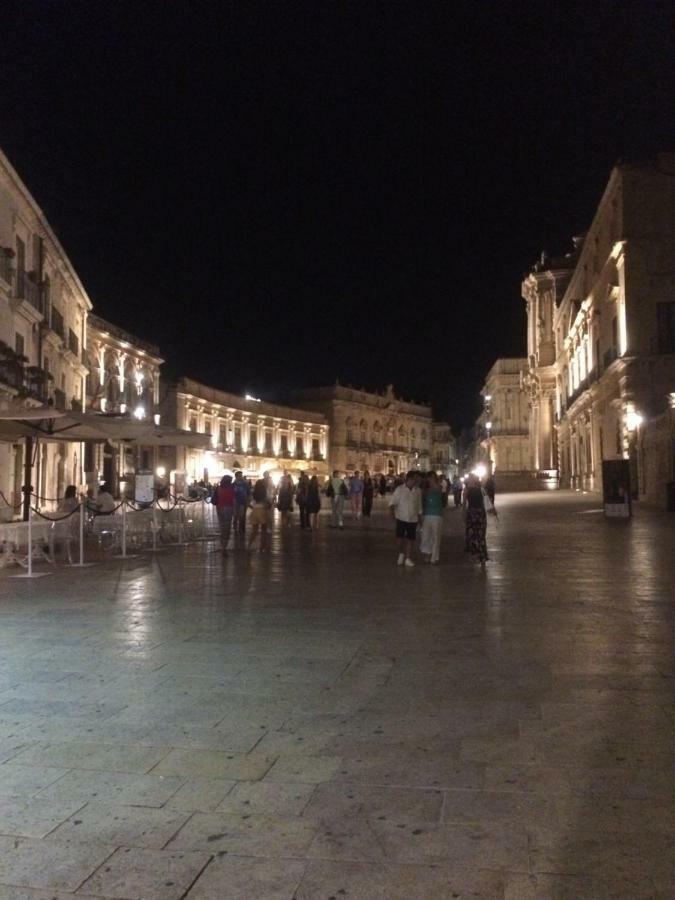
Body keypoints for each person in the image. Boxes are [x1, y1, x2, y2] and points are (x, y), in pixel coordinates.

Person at [388, 470, 423, 567]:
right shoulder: (399, 489)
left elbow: (419, 507)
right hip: (401, 518)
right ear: (409, 479)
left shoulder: (418, 491)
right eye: (415, 479)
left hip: (413, 519)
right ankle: (401, 553)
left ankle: (408, 558)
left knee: (410, 539)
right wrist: (392, 516)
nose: (416, 481)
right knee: (399, 539)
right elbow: (392, 503)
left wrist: (420, 520)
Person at [463, 473, 489, 565]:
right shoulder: (466, 490)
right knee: (472, 535)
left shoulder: (481, 489)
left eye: (470, 478)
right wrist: (464, 515)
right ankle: (476, 555)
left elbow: (486, 501)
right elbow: (464, 504)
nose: (469, 480)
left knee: (480, 536)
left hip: (479, 514)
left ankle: (482, 557)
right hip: (472, 513)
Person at [420, 472, 444, 564]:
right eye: (430, 477)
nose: (431, 479)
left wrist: (432, 482)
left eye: (433, 477)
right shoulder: (425, 489)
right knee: (426, 535)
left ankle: (434, 557)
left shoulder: (439, 487)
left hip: (437, 514)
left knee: (436, 536)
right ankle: (427, 554)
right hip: (427, 514)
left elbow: (438, 490)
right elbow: (422, 500)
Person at [212, 474, 235, 551]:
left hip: (219, 508)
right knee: (227, 527)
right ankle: (224, 545)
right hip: (228, 509)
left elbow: (214, 499)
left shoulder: (218, 488)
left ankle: (223, 544)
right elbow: (233, 500)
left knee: (222, 526)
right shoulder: (231, 489)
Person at [247, 478, 270, 551]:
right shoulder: (264, 492)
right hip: (262, 510)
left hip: (255, 511)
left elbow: (248, 503)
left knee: (254, 530)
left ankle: (249, 545)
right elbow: (265, 503)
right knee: (264, 530)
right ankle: (262, 546)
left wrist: (253, 507)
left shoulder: (254, 492)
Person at [233, 471, 250, 535]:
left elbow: (248, 492)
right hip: (236, 502)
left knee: (242, 516)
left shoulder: (245, 484)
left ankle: (242, 528)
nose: (241, 477)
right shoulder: (234, 484)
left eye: (241, 475)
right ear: (236, 476)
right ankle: (235, 525)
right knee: (236, 515)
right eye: (240, 476)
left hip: (243, 502)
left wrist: (248, 500)